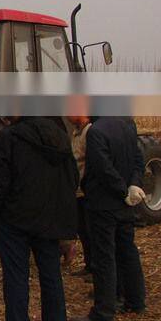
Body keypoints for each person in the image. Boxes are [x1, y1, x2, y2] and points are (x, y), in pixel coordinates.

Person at [0, 117, 79, 321]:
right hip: (48, 217)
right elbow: (72, 178)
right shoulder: (60, 136)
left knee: (16, 276)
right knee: (50, 272)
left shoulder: (7, 138)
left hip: (15, 219)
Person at [71, 117, 147, 321]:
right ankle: (136, 301)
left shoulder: (96, 132)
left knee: (103, 256)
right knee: (127, 250)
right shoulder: (127, 125)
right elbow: (138, 160)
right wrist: (132, 186)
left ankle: (103, 312)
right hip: (124, 205)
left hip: (103, 204)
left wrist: (122, 191)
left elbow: (102, 169)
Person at [69, 115, 93, 278]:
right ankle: (89, 265)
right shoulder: (75, 133)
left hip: (87, 191)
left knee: (92, 232)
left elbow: (92, 163)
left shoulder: (90, 133)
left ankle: (96, 269)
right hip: (77, 190)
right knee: (83, 231)